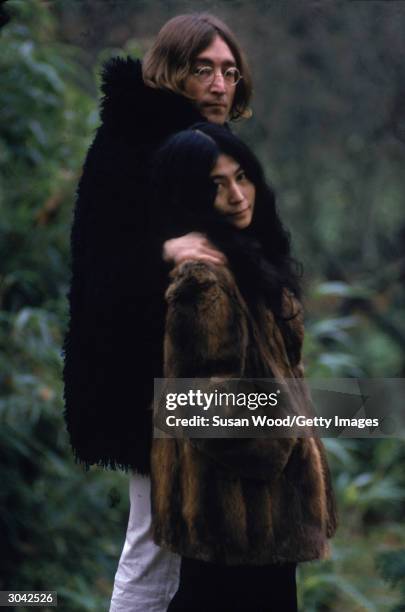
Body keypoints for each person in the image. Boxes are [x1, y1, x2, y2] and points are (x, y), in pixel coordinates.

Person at [61, 13, 254, 612]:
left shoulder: (210, 149)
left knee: (212, 544)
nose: (220, 84)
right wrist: (162, 250)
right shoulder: (130, 143)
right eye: (204, 70)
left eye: (228, 71)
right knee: (154, 544)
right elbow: (96, 256)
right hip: (153, 375)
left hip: (214, 373)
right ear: (174, 72)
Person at [149, 123, 338, 611]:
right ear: (189, 194)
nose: (236, 195)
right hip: (238, 522)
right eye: (216, 185)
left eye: (242, 177)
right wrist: (283, 440)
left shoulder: (250, 263)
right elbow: (202, 406)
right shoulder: (204, 280)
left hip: (262, 520)